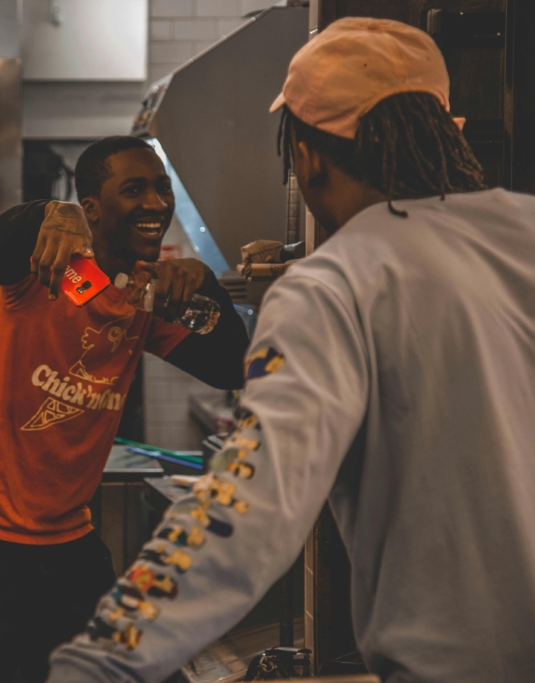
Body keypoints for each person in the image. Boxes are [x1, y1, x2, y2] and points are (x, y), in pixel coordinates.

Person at [47, 18, 535, 683]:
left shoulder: (336, 284)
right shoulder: (525, 232)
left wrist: (101, 661)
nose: (155, 204)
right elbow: (14, 249)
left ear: (304, 157)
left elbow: (242, 510)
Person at [0, 135, 250, 682]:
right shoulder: (52, 270)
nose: (156, 203)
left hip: (63, 534)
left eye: (162, 189)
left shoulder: (145, 295)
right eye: (134, 189)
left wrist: (204, 284)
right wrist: (55, 212)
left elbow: (232, 368)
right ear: (93, 209)